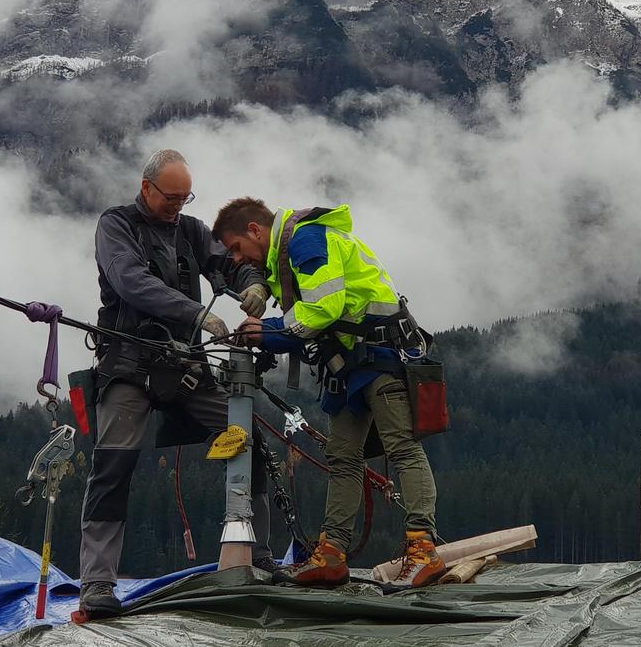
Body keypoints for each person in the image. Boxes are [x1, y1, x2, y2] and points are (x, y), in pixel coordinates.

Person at [211, 197, 445, 589]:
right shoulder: (287, 257)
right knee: (343, 457)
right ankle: (332, 554)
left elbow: (324, 307)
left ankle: (424, 550)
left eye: (236, 248)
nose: (236, 259)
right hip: (351, 365)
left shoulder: (306, 240)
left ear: (255, 231)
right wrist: (268, 327)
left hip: (380, 355)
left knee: (402, 447)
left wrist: (268, 332)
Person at [79, 151, 276, 617]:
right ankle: (97, 585)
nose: (178, 205)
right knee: (113, 465)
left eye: (185, 197)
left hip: (185, 367)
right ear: (146, 188)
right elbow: (130, 281)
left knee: (249, 441)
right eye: (171, 197)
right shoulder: (116, 226)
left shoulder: (190, 230)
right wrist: (198, 314)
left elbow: (227, 265)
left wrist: (252, 284)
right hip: (128, 364)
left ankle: (260, 559)